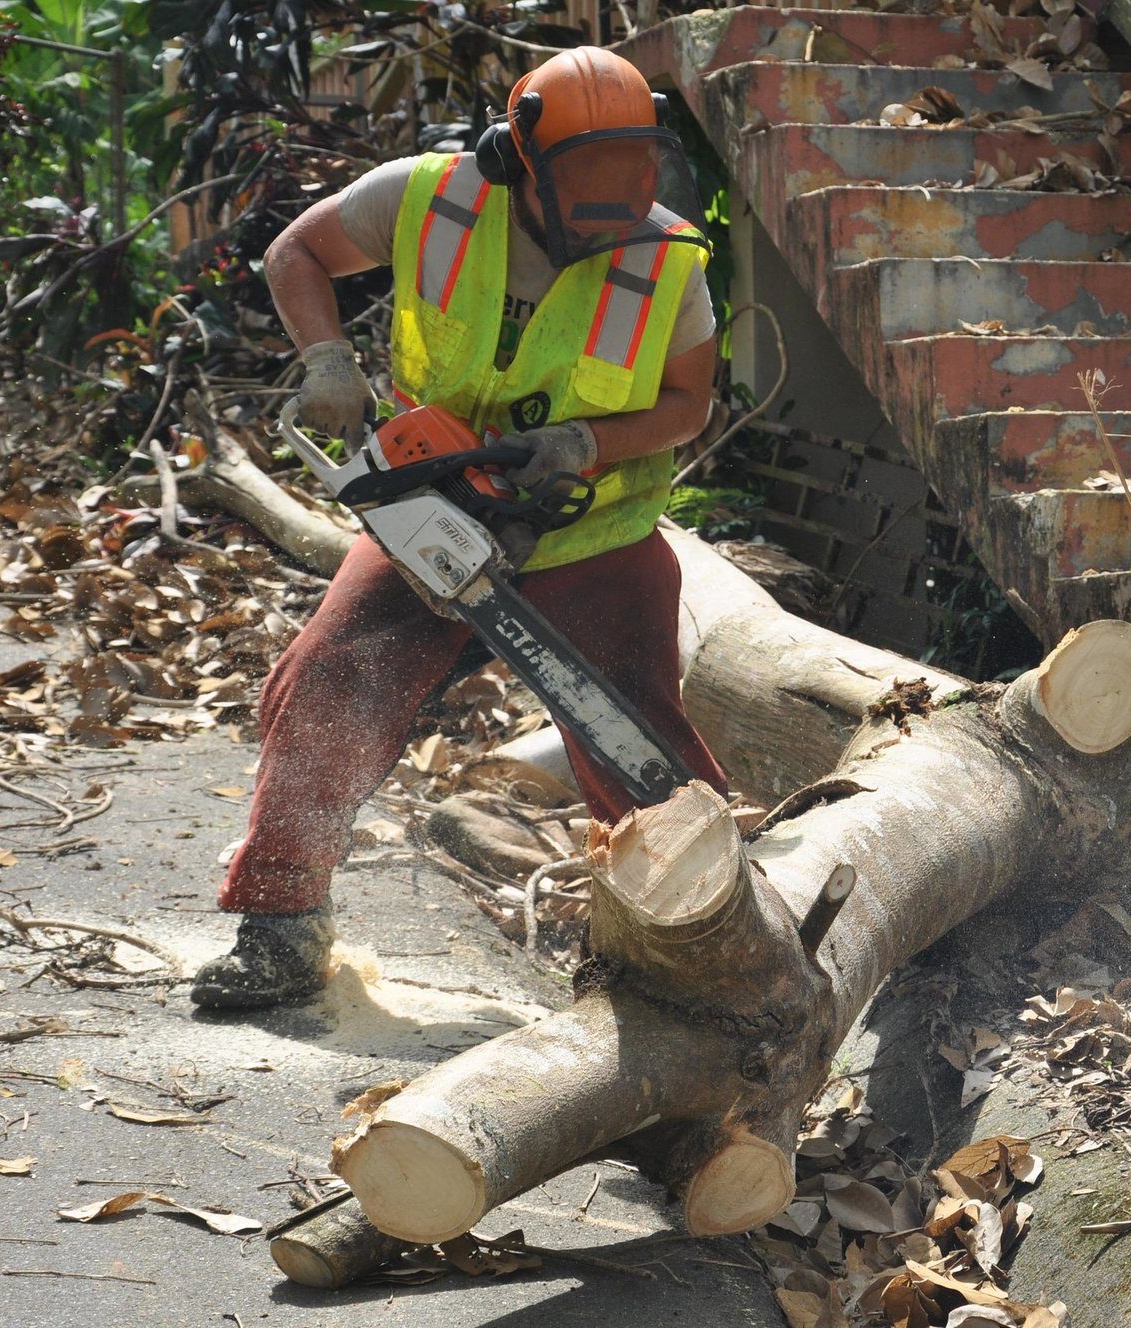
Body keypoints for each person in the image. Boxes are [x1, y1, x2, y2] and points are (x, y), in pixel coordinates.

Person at [192, 46, 729, 1008]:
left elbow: (688, 405)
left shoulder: (666, 258)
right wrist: (326, 361)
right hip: (427, 507)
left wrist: (586, 442)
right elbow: (297, 251)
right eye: (586, 184)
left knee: (637, 742)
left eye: (629, 179)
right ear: (517, 158)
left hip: (586, 528)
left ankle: (712, 948)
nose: (610, 210)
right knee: (327, 681)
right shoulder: (428, 199)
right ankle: (280, 927)